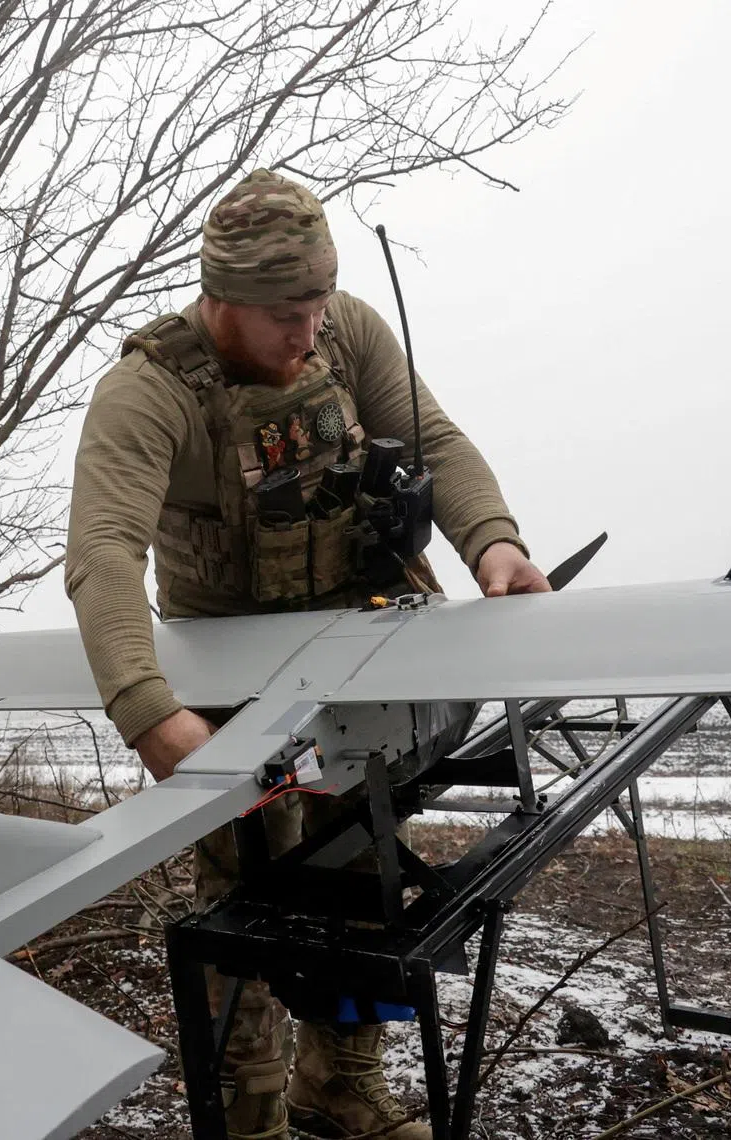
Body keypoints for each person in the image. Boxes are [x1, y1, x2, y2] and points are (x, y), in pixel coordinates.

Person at [66, 169, 550, 1140]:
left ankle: (341, 1085)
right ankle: (248, 1123)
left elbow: (436, 442)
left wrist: (494, 543)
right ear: (222, 301)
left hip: (362, 650)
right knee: (245, 906)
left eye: (320, 300)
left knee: (364, 873)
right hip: (231, 682)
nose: (310, 328)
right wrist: (152, 713)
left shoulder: (347, 331)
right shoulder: (151, 390)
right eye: (288, 311)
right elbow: (102, 550)